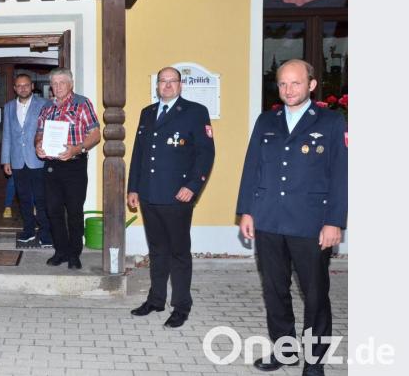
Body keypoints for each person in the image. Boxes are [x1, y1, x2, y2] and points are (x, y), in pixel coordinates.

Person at [236, 59, 347, 376]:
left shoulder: (331, 122)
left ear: (311, 85)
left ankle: (314, 361)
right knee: (274, 291)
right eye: (283, 83)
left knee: (315, 295)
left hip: (310, 223)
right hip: (269, 219)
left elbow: (341, 174)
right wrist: (246, 210)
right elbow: (252, 167)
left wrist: (334, 220)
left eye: (296, 83)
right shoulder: (266, 120)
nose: (288, 89)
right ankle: (284, 351)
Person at [126, 66, 215, 328]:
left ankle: (181, 306)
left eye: (172, 81)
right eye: (162, 81)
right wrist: (133, 188)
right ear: (157, 86)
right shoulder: (148, 112)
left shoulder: (195, 112)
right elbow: (139, 153)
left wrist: (193, 186)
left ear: (180, 84)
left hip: (178, 195)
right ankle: (156, 299)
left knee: (178, 253)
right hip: (149, 193)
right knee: (157, 250)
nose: (166, 85)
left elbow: (206, 153)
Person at [35, 68, 100, 269]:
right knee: (53, 210)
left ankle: (74, 254)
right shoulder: (47, 107)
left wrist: (76, 149)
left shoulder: (82, 103)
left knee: (74, 211)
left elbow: (95, 134)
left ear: (71, 84)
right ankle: (60, 251)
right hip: (51, 166)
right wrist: (38, 145)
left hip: (75, 164)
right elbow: (39, 133)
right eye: (54, 83)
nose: (58, 87)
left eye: (62, 82)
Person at [2, 73, 53, 246]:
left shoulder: (45, 104)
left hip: (38, 159)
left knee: (41, 199)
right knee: (23, 199)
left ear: (32, 86)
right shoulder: (9, 107)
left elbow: (50, 130)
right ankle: (29, 231)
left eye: (26, 85)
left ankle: (46, 234)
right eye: (19, 85)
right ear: (15, 88)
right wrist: (6, 160)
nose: (23, 88)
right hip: (17, 161)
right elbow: (7, 135)